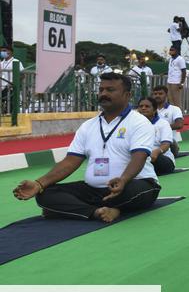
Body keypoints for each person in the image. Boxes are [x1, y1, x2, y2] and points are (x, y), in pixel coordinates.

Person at [12, 73, 159, 222]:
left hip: (134, 184)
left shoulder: (139, 122)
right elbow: (71, 161)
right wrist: (39, 183)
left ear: (127, 95)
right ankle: (97, 212)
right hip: (94, 190)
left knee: (128, 193)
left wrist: (123, 180)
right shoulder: (88, 126)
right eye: (101, 90)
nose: (103, 94)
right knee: (45, 194)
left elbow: (139, 157)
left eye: (110, 90)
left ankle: (72, 209)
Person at [137, 96, 175, 175]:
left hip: (161, 158)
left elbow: (166, 144)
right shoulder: (134, 124)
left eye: (147, 106)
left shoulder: (163, 124)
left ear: (154, 110)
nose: (143, 108)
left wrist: (157, 151)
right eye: (141, 106)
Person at [151, 85, 184, 156]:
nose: (157, 96)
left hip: (170, 144)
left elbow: (179, 125)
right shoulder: (148, 110)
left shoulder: (175, 109)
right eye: (155, 94)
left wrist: (160, 128)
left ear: (166, 95)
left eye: (160, 94)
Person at [1, 45, 21, 114]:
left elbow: (22, 74)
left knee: (10, 105)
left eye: (4, 51)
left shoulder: (16, 61)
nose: (2, 52)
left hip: (10, 87)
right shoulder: (1, 63)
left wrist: (13, 82)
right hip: (1, 87)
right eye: (1, 51)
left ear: (10, 52)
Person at [165, 46, 186, 111]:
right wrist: (164, 73)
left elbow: (184, 71)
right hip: (169, 81)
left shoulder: (180, 59)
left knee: (176, 100)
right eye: (170, 50)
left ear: (176, 51)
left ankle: (179, 116)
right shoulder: (171, 59)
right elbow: (172, 69)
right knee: (170, 99)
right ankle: (172, 114)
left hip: (176, 82)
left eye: (172, 50)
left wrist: (182, 83)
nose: (170, 51)